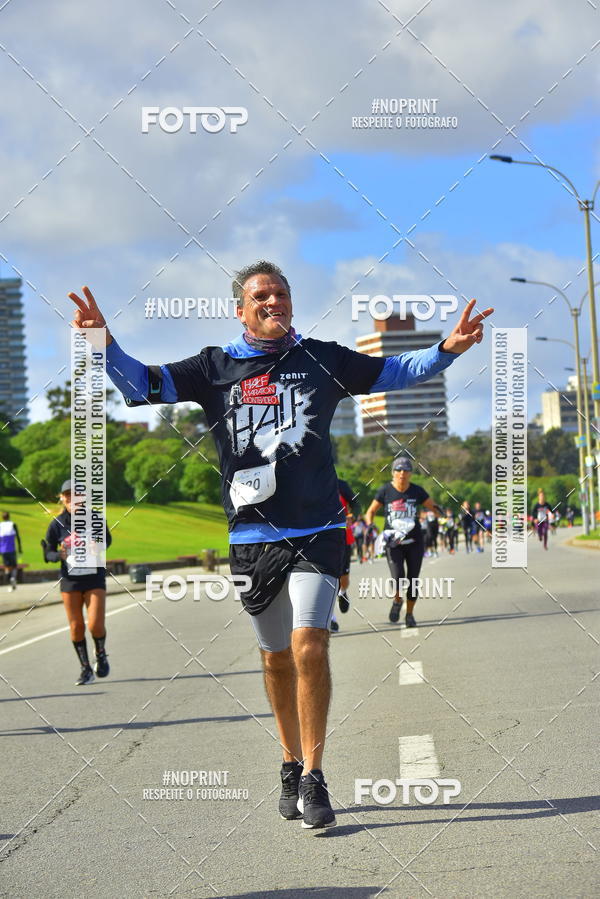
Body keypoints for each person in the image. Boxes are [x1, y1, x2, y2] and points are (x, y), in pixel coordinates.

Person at [69, 261, 491, 829]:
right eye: (261, 295)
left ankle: (315, 774)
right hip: (251, 537)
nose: (275, 301)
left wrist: (448, 349)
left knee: (309, 645)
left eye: (282, 293)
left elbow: (393, 370)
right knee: (274, 658)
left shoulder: (323, 358)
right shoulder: (213, 367)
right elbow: (139, 387)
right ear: (240, 309)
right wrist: (102, 341)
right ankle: (289, 760)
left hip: (317, 529)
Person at [42, 480, 112, 684]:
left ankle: (100, 653)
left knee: (96, 625)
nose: (73, 499)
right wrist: (58, 555)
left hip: (94, 577)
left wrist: (97, 546)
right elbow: (48, 551)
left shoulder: (96, 518)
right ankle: (85, 668)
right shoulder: (57, 524)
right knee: (76, 626)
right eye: (68, 495)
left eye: (77, 495)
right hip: (70, 580)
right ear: (62, 498)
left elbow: (107, 540)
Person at [365, 457, 441, 628]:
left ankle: (409, 615)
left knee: (413, 580)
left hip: (415, 542)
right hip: (394, 544)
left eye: (406, 470)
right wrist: (370, 526)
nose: (402, 474)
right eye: (398, 470)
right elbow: (370, 511)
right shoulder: (385, 491)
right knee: (398, 579)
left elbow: (433, 507)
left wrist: (439, 513)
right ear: (393, 473)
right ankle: (397, 600)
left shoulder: (417, 491)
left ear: (410, 474)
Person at [330, 478, 360, 631]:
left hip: (343, 538)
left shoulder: (341, 484)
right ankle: (331, 619)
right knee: (327, 580)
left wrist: (352, 516)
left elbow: (356, 504)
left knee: (343, 579)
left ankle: (343, 593)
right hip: (320, 539)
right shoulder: (308, 480)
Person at [1, 511, 23, 591]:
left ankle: (9, 580)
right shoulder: (13, 525)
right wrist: (20, 548)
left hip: (3, 550)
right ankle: (12, 578)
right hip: (11, 549)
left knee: (7, 567)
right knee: (14, 566)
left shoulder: (0, 526)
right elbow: (18, 537)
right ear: (9, 517)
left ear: (2, 518)